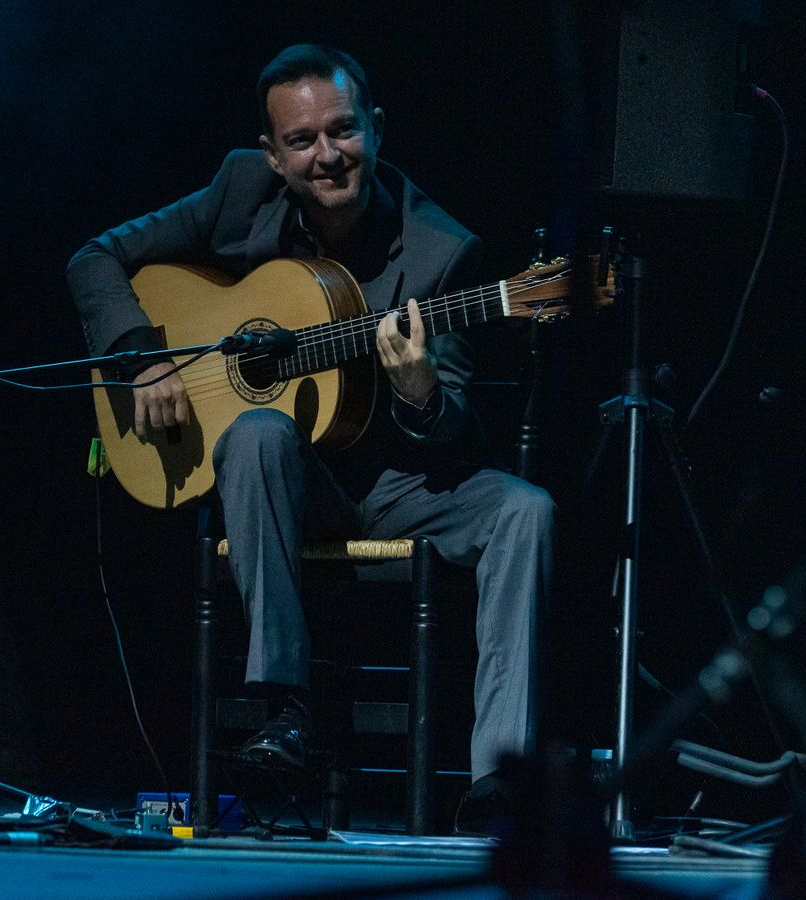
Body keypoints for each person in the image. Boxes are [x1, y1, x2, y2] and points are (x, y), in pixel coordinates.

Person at [66, 44, 552, 832]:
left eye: (344, 130)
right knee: (259, 431)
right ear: (273, 155)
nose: (327, 155)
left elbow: (452, 438)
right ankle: (285, 711)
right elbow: (95, 259)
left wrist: (421, 392)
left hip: (398, 488)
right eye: (302, 141)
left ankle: (499, 780)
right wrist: (143, 358)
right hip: (286, 484)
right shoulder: (237, 190)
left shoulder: (444, 253)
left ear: (377, 128)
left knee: (526, 510)